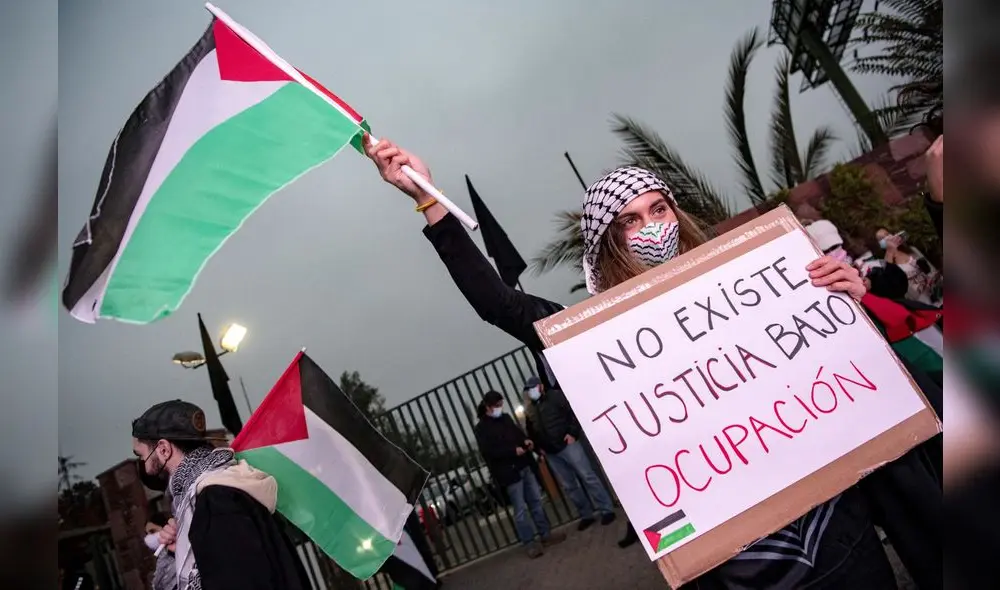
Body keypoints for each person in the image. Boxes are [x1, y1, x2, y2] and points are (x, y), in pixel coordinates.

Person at [364, 137, 907, 588]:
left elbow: (853, 377)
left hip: (843, 531)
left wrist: (848, 298)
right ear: (610, 244)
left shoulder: (757, 284)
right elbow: (498, 303)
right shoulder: (599, 336)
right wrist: (427, 198)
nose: (650, 226)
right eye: (628, 221)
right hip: (742, 565)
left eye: (658, 208)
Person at [131, 399, 311, 590]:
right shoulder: (216, 491)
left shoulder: (215, 500)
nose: (142, 465)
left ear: (163, 449)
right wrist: (183, 549)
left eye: (140, 456)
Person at [474, 391, 566, 558]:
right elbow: (489, 451)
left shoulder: (506, 418)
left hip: (524, 465)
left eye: (501, 405)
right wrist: (511, 451)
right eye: (497, 406)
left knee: (536, 502)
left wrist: (525, 441)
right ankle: (529, 543)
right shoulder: (481, 429)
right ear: (488, 407)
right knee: (520, 510)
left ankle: (545, 534)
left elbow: (518, 434)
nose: (500, 408)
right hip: (509, 472)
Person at [522, 376, 616, 532]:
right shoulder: (530, 409)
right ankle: (586, 515)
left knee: (587, 476)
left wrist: (572, 433)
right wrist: (539, 449)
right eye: (529, 389)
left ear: (540, 386)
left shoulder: (556, 396)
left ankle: (606, 509)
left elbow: (573, 413)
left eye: (533, 388)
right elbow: (531, 430)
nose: (531, 392)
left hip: (568, 444)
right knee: (569, 485)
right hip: (551, 452)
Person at [874, 227, 939, 305]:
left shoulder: (910, 249)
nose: (886, 238)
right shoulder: (887, 263)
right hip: (920, 301)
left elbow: (930, 268)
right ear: (880, 244)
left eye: (887, 234)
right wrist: (890, 251)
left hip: (935, 291)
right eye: (882, 238)